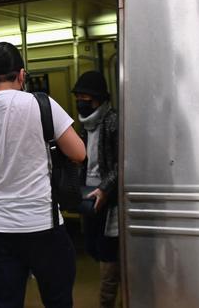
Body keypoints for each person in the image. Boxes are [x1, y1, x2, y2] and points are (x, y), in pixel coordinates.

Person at [0, 42, 86, 308]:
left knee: (6, 301)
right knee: (58, 300)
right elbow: (79, 153)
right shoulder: (42, 104)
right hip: (43, 225)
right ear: (21, 75)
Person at [72, 71, 119, 308]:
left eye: (86, 98)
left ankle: (107, 302)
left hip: (109, 197)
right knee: (92, 246)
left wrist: (104, 188)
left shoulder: (112, 122)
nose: (81, 102)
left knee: (108, 249)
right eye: (78, 97)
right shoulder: (85, 124)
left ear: (99, 99)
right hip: (88, 194)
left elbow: (122, 164)